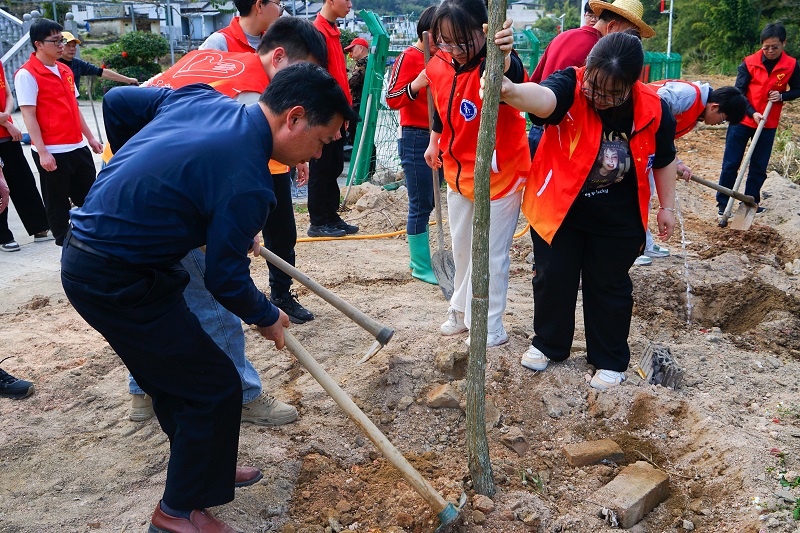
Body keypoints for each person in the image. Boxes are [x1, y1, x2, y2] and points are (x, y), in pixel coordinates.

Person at [62, 63, 359, 532]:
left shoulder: (203, 100)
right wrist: (267, 315)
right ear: (295, 117)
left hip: (119, 262)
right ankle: (175, 512)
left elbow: (119, 104)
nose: (319, 156)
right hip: (112, 277)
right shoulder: (249, 182)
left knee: (179, 381)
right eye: (322, 141)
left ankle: (206, 474)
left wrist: (148, 185)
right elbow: (226, 278)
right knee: (212, 387)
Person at [123, 17, 328, 423]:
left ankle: (142, 391)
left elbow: (123, 104)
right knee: (215, 299)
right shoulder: (252, 92)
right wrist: (224, 227)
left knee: (159, 299)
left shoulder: (219, 62)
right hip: (171, 195)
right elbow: (236, 170)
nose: (305, 84)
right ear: (279, 56)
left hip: (139, 180)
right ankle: (245, 396)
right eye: (304, 71)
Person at [499, 32, 677, 390]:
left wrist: (667, 207)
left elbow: (666, 159)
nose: (599, 98)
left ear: (633, 84)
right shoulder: (572, 83)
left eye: (612, 93)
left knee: (609, 285)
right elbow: (544, 98)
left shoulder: (655, 107)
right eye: (594, 87)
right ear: (588, 70)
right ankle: (549, 344)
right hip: (562, 207)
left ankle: (609, 359)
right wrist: (510, 89)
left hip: (620, 216)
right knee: (553, 276)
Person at [424, 0, 531, 347]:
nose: (453, 50)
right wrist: (434, 142)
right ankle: (459, 308)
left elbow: (516, 77)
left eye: (461, 41)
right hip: (456, 172)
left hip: (499, 174)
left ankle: (489, 324)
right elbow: (442, 107)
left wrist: (506, 53)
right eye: (444, 41)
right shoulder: (440, 63)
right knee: (462, 247)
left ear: (483, 31)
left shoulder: (495, 64)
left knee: (491, 252)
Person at [633, 81, 748, 266]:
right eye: (723, 119)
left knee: (646, 194)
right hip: (632, 139)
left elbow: (664, 135)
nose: (719, 124)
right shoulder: (687, 96)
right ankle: (631, 248)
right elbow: (653, 105)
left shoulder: (696, 114)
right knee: (636, 194)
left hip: (646, 146)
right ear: (715, 106)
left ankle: (644, 243)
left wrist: (676, 162)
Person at [14, 18, 103, 247]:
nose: (61, 45)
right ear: (38, 44)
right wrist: (42, 152)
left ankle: (91, 245)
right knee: (57, 204)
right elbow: (29, 115)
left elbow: (74, 108)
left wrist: (90, 137)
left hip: (77, 146)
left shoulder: (65, 69)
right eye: (55, 41)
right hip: (52, 150)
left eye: (61, 39)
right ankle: (66, 248)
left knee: (89, 199)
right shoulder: (27, 74)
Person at [526, 0, 654, 157]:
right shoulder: (602, 55)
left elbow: (535, 81)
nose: (628, 43)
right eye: (627, 34)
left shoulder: (563, 36)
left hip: (537, 127)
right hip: (565, 136)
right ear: (612, 26)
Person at [717, 21, 799, 217]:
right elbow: (739, 92)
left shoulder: (792, 65)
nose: (770, 51)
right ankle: (723, 203)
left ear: (784, 43)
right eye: (766, 47)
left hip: (768, 122)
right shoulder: (749, 62)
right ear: (761, 44)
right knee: (731, 163)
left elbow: (797, 89)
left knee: (758, 166)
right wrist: (751, 111)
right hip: (743, 119)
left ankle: (751, 201)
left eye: (775, 47)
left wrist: (782, 96)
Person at [385, 6, 439, 285]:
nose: (443, 40)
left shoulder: (444, 57)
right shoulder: (409, 56)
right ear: (426, 33)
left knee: (431, 200)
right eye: (439, 34)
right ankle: (420, 265)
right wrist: (417, 85)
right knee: (421, 203)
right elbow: (392, 98)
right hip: (416, 137)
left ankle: (425, 259)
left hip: (438, 135)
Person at [308, 0, 358, 238]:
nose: (350, 4)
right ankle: (317, 221)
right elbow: (318, 81)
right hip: (326, 116)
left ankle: (331, 215)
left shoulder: (333, 31)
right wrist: (329, 119)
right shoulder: (317, 33)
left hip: (338, 114)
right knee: (321, 168)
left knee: (334, 167)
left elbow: (338, 77)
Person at [0, 59, 52, 252]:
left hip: (8, 135)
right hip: (8, 128)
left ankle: (39, 227)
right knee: (0, 187)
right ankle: (3, 235)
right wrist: (6, 122)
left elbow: (7, 95)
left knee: (23, 181)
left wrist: (6, 116)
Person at [58, 31, 139, 94]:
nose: (72, 49)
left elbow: (102, 72)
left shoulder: (78, 64)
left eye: (73, 46)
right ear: (60, 46)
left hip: (72, 104)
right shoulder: (53, 64)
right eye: (68, 46)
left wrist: (128, 80)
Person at [200, 0, 284, 52]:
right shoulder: (219, 43)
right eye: (278, 4)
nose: (280, 13)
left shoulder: (275, 42)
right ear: (259, 5)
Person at [345, 36, 369, 146]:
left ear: (360, 48)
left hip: (358, 102)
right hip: (365, 102)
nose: (351, 54)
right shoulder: (370, 61)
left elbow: (353, 82)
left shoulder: (362, 63)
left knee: (354, 135)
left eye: (352, 50)